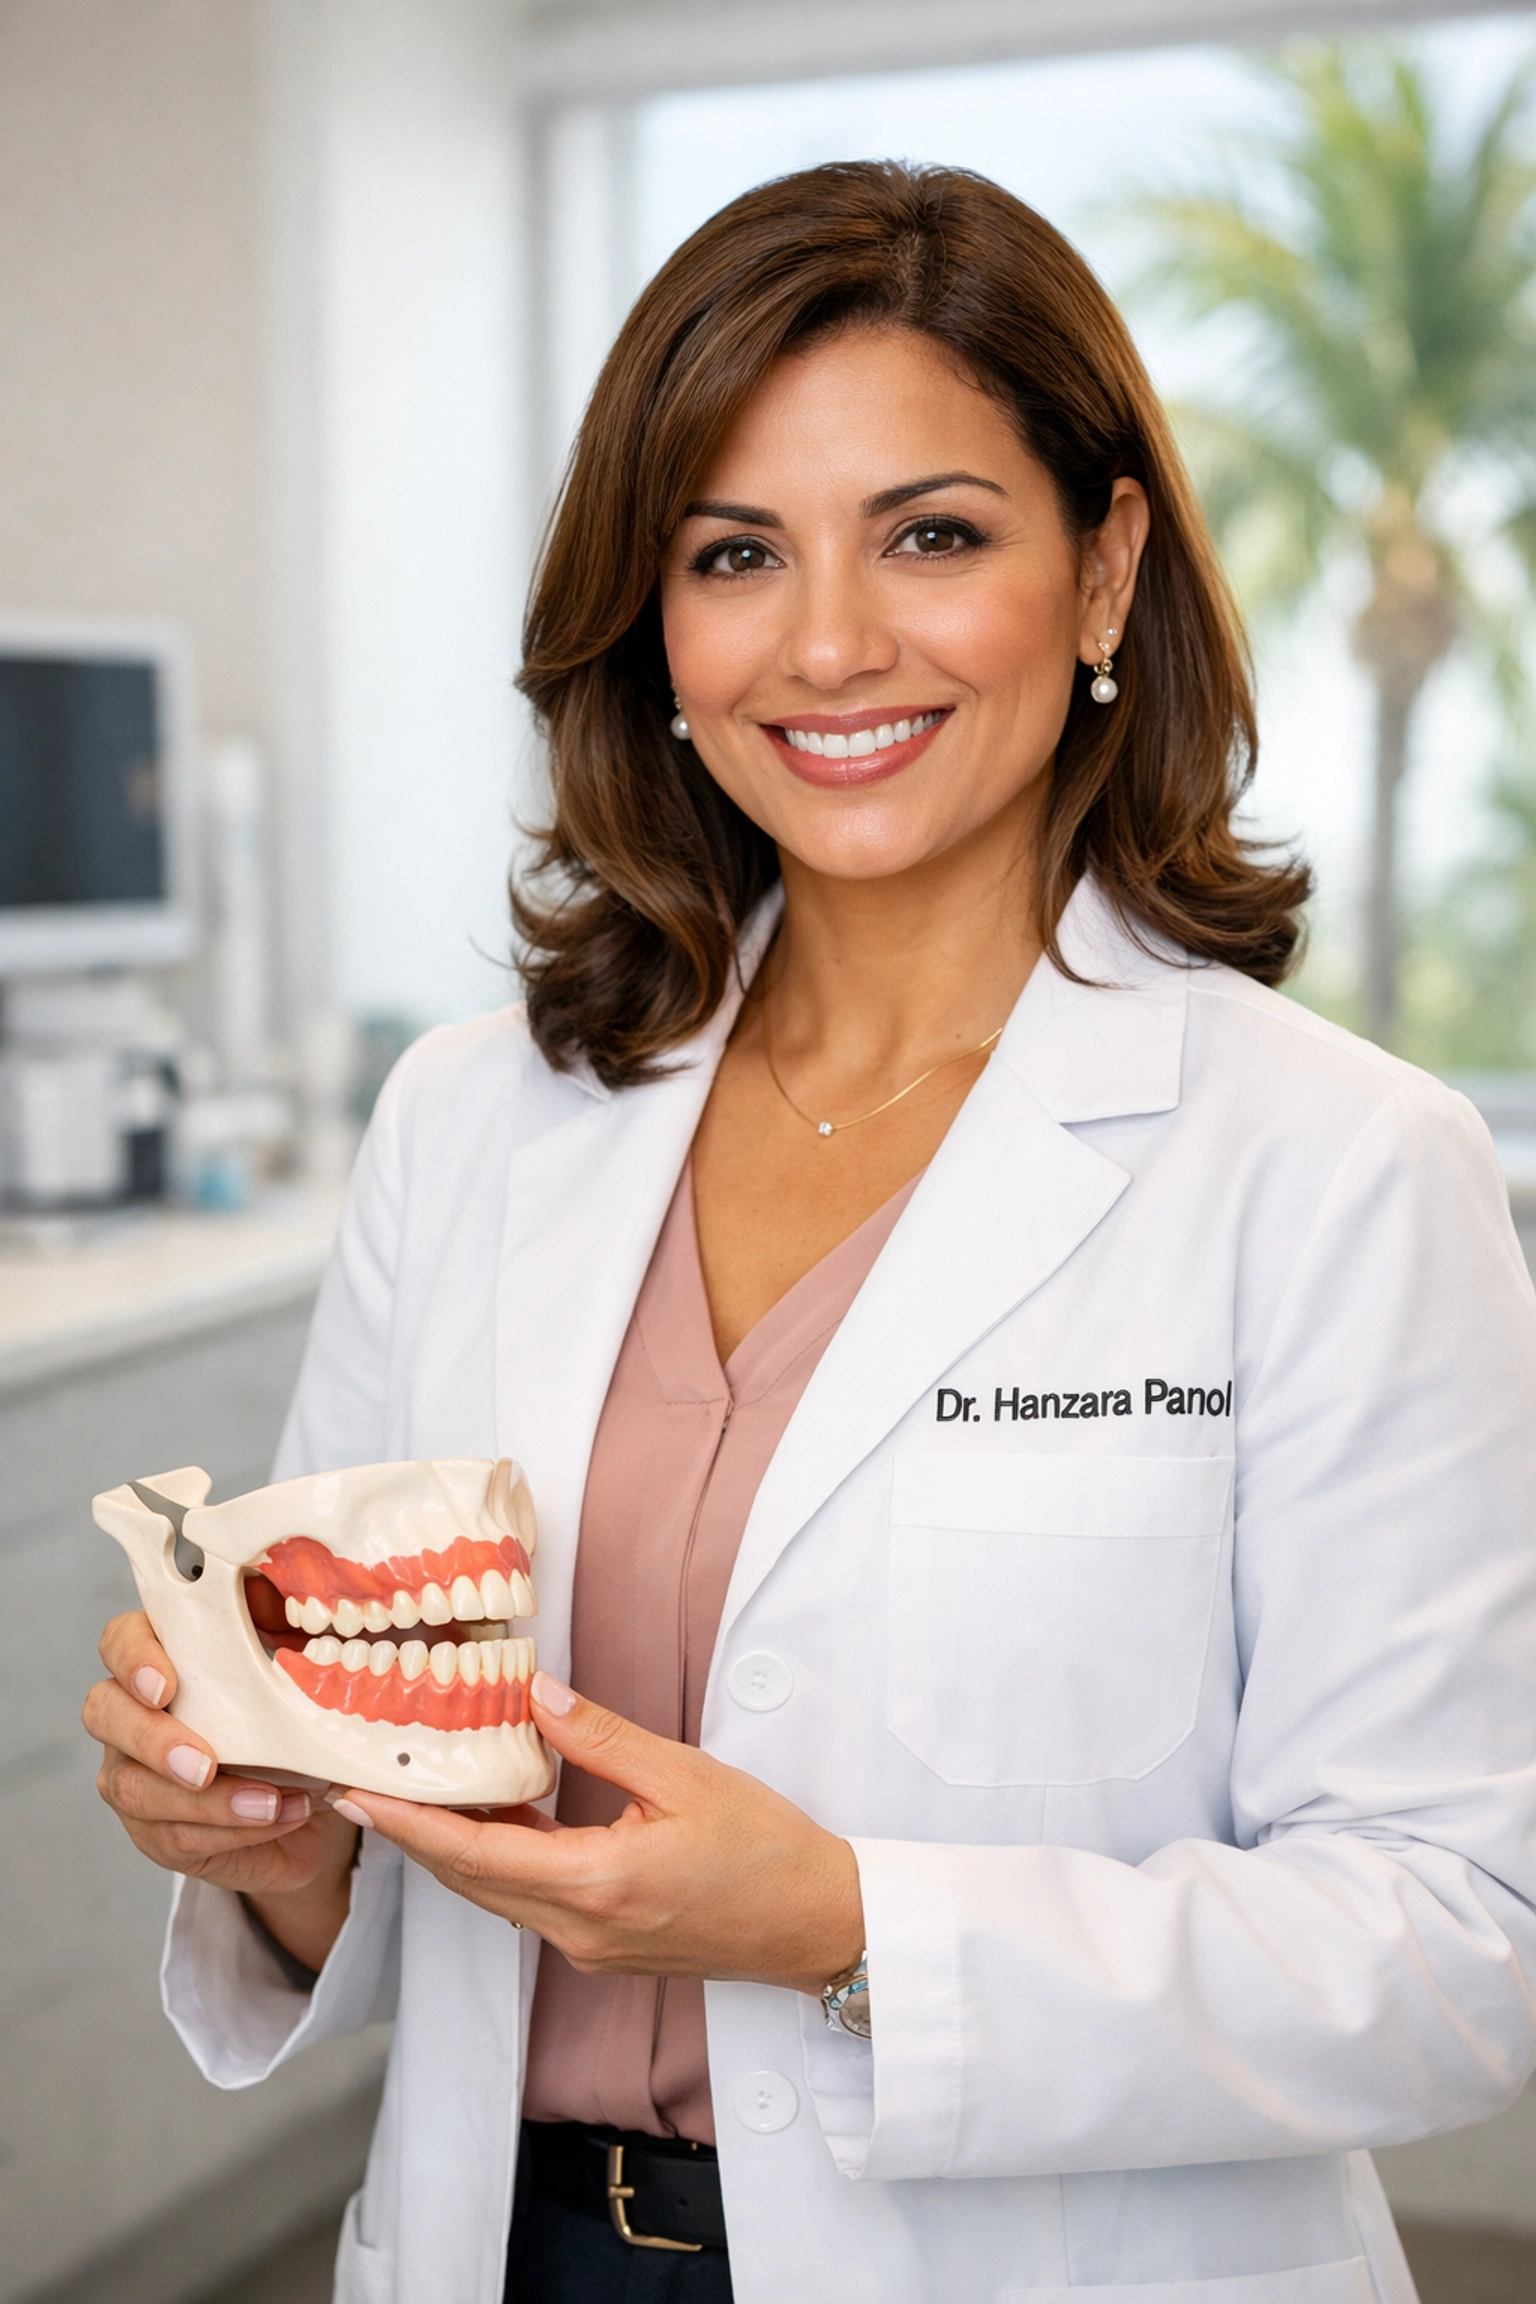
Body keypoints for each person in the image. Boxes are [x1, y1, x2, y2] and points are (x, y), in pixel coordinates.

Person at [85, 162, 1536, 2304]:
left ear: (1107, 565)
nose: (831, 642)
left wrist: (848, 1924)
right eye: (735, 553)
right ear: (652, 622)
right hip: (509, 2251)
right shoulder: (475, 1120)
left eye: (933, 534)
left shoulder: (1333, 1164)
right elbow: (398, 1809)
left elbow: (1462, 1938)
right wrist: (279, 1841)